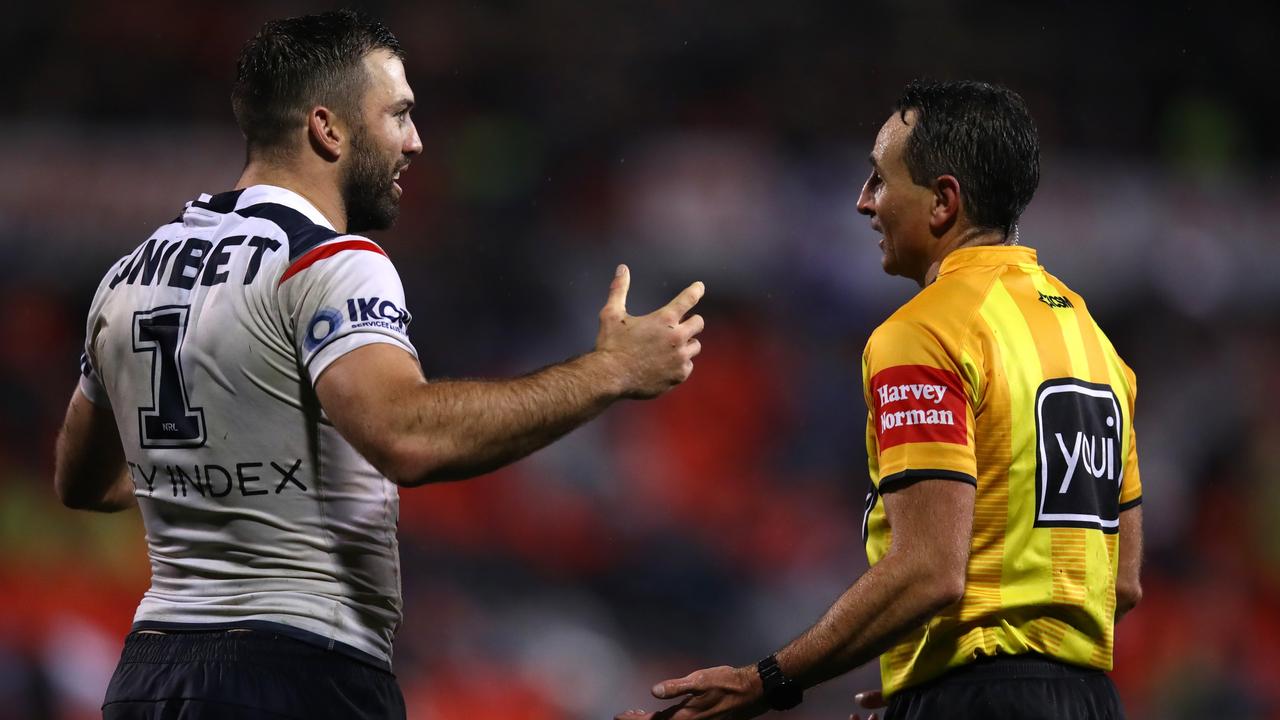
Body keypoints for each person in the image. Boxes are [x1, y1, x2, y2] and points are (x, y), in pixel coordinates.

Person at [53, 10, 705, 720]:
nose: (416, 142)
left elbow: (82, 480)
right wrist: (609, 372)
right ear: (328, 129)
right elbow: (408, 439)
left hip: (147, 678)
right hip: (297, 670)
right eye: (398, 114)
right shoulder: (331, 262)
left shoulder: (129, 274)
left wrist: (207, 470)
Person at [617, 79, 1143, 720]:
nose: (864, 202)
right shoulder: (1094, 343)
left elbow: (930, 569)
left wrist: (764, 682)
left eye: (879, 180)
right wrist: (934, 667)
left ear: (944, 201)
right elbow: (1121, 582)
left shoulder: (926, 331)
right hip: (1093, 702)